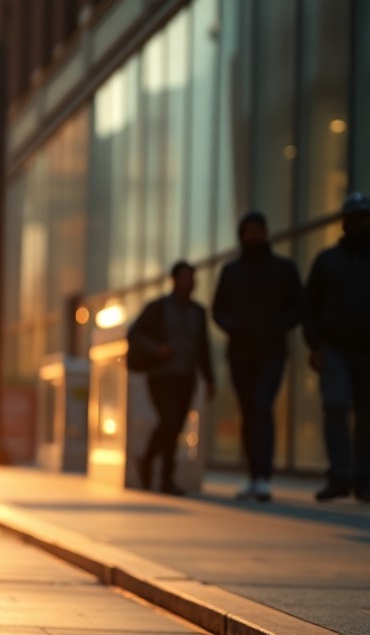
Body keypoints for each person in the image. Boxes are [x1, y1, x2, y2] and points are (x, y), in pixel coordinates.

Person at [211, 211, 303, 501]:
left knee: (262, 406)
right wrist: (235, 327)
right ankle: (254, 475)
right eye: (248, 231)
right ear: (242, 234)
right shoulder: (231, 271)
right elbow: (218, 309)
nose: (253, 236)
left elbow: (298, 307)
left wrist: (275, 327)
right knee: (249, 413)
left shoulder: (283, 269)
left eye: (257, 230)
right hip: (240, 354)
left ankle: (263, 476)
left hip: (271, 352)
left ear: (265, 233)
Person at [304, 192, 370, 503]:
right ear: (345, 222)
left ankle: (365, 479)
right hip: (335, 349)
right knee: (335, 405)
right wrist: (315, 344)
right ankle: (340, 476)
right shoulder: (327, 261)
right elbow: (310, 306)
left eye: (366, 218)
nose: (362, 224)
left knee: (367, 415)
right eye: (356, 218)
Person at [130, 261, 216, 495]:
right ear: (175, 280)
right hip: (160, 376)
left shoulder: (198, 312)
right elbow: (135, 334)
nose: (189, 282)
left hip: (186, 377)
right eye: (185, 277)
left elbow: (204, 348)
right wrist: (157, 349)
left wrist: (209, 379)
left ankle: (164, 476)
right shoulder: (158, 308)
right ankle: (150, 463)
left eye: (192, 278)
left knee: (176, 426)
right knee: (168, 420)